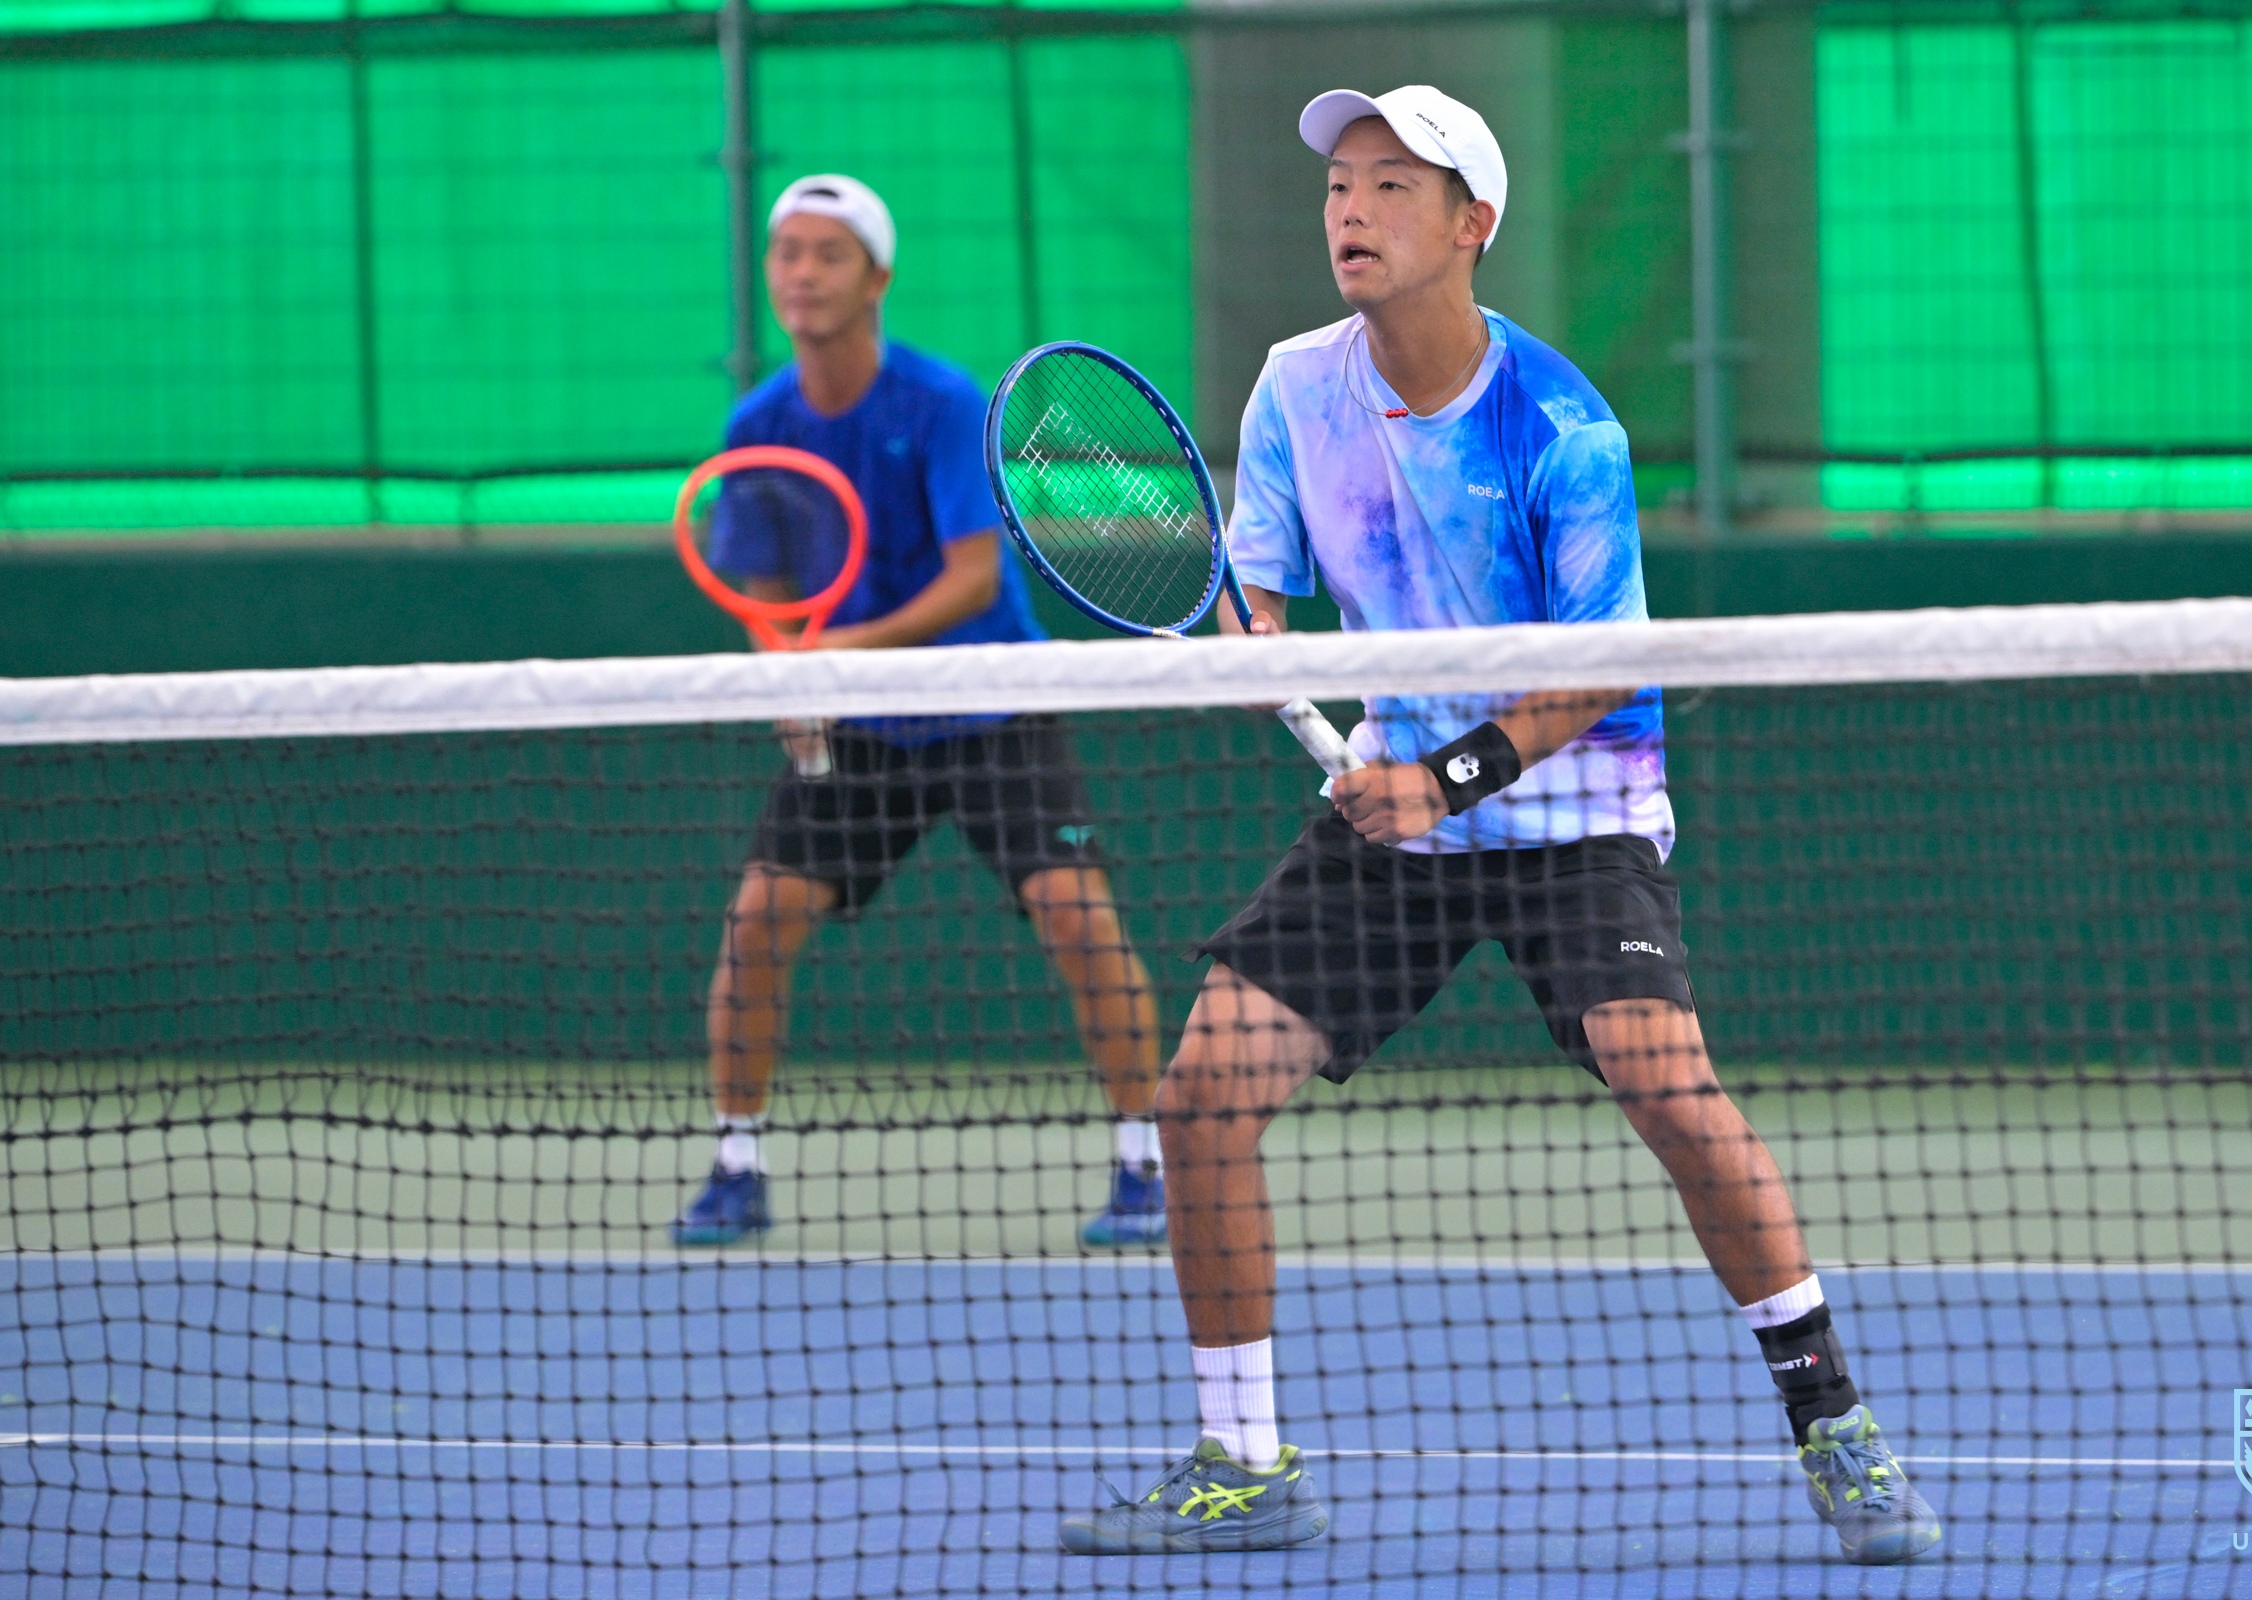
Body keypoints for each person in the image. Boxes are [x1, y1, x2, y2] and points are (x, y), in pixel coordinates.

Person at [1058, 89, 1945, 1563]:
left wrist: (1444, 778)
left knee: (1664, 1084)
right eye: (1338, 185)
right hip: (1392, 816)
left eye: (1389, 185)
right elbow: (1257, 579)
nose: (1350, 209)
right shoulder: (1293, 386)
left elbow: (1597, 669)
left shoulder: (1562, 428)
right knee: (1199, 1097)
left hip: (1573, 808)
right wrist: (1257, 631)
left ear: (1471, 223)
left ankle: (1832, 1422)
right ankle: (1244, 1462)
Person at [671, 174, 1169, 1251]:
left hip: (989, 706)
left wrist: (832, 656)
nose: (802, 273)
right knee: (757, 921)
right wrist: (786, 677)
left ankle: (1145, 1161)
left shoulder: (942, 402)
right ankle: (735, 1164)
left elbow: (972, 579)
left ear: (876, 279)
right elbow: (764, 593)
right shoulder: (757, 425)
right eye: (787, 253)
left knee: (1078, 916)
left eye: (828, 254)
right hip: (859, 729)